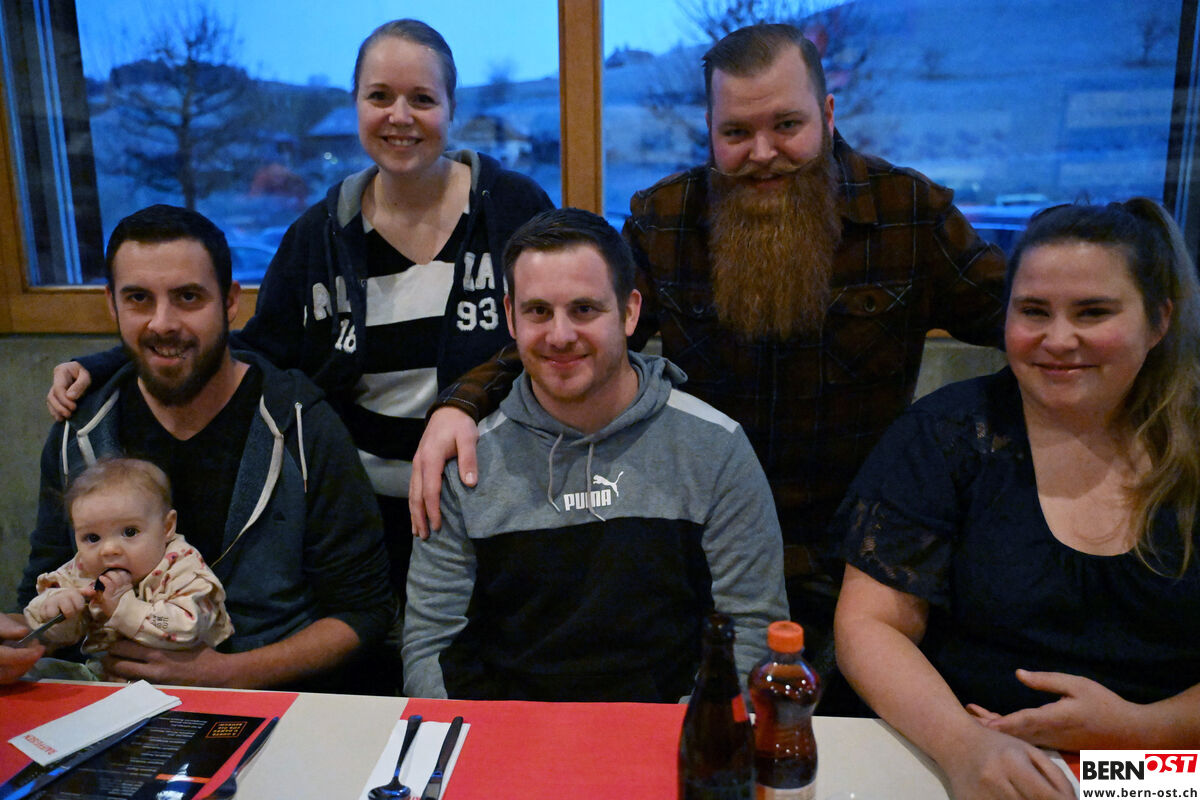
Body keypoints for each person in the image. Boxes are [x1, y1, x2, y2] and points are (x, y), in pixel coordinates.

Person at [407, 23, 1005, 708]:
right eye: (736, 133)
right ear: (710, 131)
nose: (763, 153)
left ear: (828, 113)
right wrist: (461, 404)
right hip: (697, 559)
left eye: (787, 125)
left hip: (857, 569)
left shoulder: (909, 212)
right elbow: (579, 333)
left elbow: (1030, 330)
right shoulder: (667, 221)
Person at [45, 19, 554, 603]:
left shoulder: (512, 208)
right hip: (365, 513)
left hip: (500, 500)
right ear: (355, 103)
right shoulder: (317, 236)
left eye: (422, 99)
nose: (400, 116)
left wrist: (465, 403)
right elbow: (252, 346)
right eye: (379, 96)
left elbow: (551, 334)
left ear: (451, 109)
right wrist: (108, 363)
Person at [833, 199, 1200, 799]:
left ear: (1159, 321)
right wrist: (963, 746)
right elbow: (870, 624)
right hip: (958, 754)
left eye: (1093, 312)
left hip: (1162, 765)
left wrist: (1137, 730)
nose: (1059, 339)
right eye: (1033, 311)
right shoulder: (944, 433)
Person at [402, 208, 787, 702]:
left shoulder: (715, 447)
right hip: (508, 734)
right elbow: (431, 646)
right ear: (510, 317)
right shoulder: (464, 457)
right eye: (538, 311)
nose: (560, 335)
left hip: (671, 732)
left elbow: (752, 630)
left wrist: (692, 735)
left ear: (629, 313)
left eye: (584, 309)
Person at [20, 204, 395, 691]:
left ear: (230, 302)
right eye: (139, 298)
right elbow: (40, 590)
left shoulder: (302, 423)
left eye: (188, 297)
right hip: (110, 702)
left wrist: (224, 675)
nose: (162, 323)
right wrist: (24, 641)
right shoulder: (80, 429)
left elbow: (365, 612)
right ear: (112, 303)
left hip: (273, 698)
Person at [24, 458, 233, 667]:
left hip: (181, 677)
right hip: (103, 674)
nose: (108, 550)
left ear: (167, 527)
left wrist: (125, 608)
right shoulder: (83, 569)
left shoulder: (181, 566)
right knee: (42, 669)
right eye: (92, 537)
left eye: (130, 532)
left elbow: (188, 626)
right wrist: (59, 610)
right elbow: (60, 636)